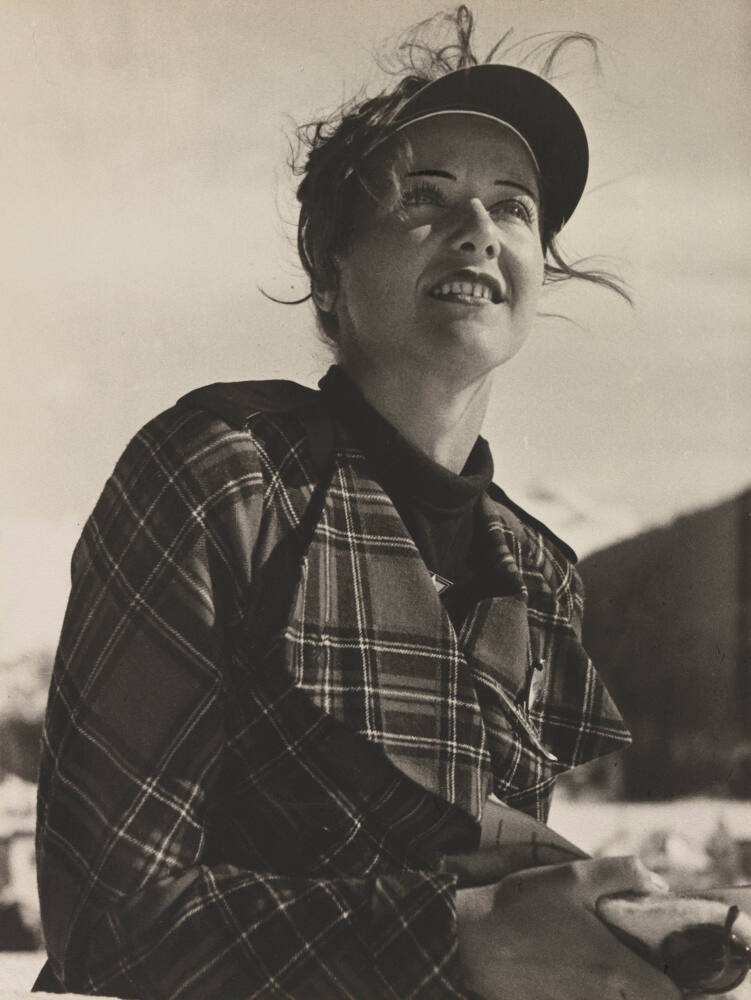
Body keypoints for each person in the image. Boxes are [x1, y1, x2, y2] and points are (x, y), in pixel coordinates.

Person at [34, 7, 682, 999]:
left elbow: (490, 902)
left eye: (513, 207)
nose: (479, 228)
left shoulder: (538, 576)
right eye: (424, 195)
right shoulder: (222, 474)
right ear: (330, 272)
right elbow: (104, 920)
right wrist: (465, 940)